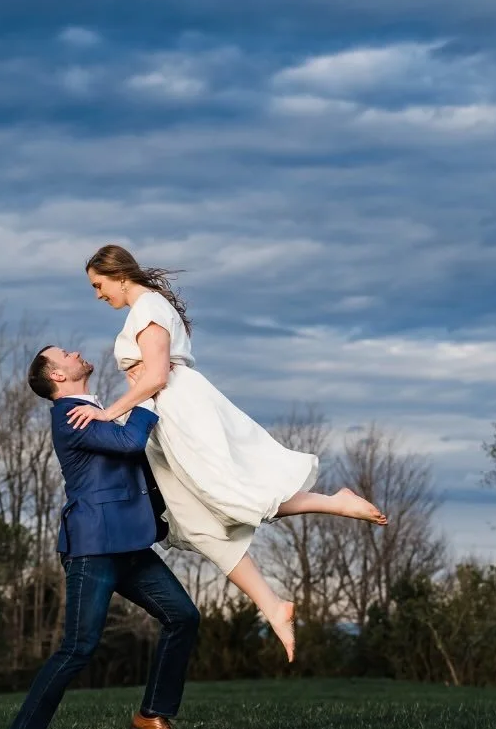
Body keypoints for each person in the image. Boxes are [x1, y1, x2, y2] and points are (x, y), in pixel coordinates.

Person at [67, 245, 389, 663]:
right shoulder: (146, 309)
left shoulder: (147, 308)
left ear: (120, 276)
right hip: (161, 421)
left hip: (179, 411)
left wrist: (108, 413)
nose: (98, 294)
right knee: (196, 519)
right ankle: (272, 604)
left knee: (227, 495)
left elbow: (158, 375)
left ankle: (334, 502)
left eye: (99, 285)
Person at [0, 346, 200, 729]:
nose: (75, 352)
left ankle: (152, 716)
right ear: (57, 376)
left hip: (129, 543)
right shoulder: (70, 415)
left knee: (182, 616)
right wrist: (148, 391)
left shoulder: (97, 410)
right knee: (78, 647)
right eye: (64, 354)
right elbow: (130, 443)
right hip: (93, 549)